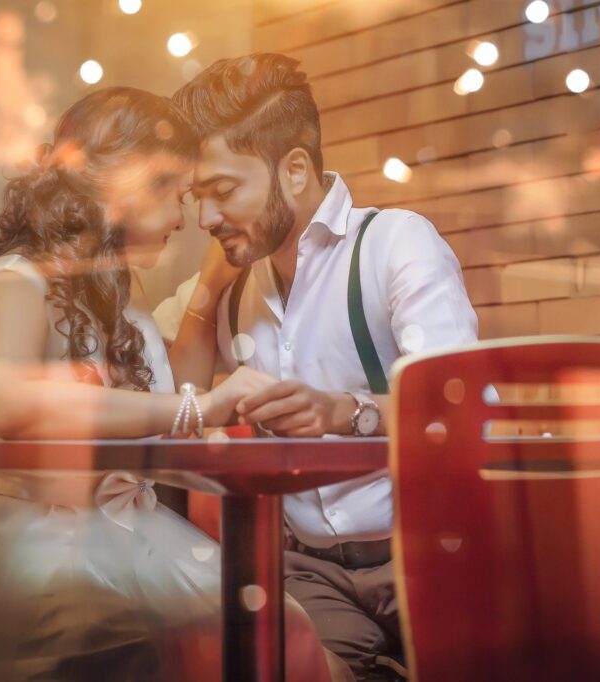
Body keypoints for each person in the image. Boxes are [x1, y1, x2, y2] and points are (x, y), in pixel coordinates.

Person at [0, 86, 332, 682]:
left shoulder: (120, 293)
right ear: (117, 183)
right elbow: (13, 403)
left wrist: (209, 294)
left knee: (280, 628)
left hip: (122, 536)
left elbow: (169, 404)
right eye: (173, 191)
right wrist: (203, 404)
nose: (182, 218)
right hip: (17, 543)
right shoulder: (12, 280)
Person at [163, 53, 479, 681]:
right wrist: (203, 291)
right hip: (307, 570)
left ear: (296, 169)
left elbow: (456, 410)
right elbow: (175, 398)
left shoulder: (393, 243)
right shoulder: (233, 282)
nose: (206, 219)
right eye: (198, 198)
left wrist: (345, 411)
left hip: (427, 551)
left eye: (223, 192)